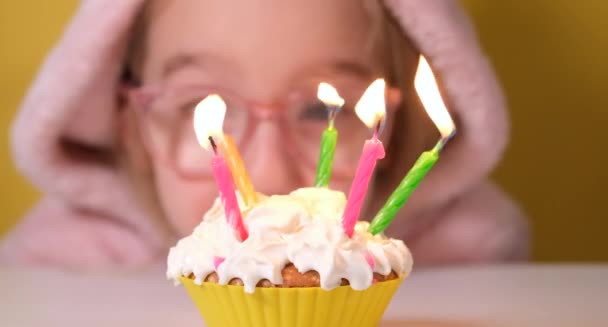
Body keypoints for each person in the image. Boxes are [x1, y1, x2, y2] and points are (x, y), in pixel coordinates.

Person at [1, 0, 528, 269]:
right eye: (207, 111)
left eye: (320, 112)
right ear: (130, 126)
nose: (271, 177)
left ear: (398, 129)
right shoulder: (58, 269)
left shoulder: (465, 258)